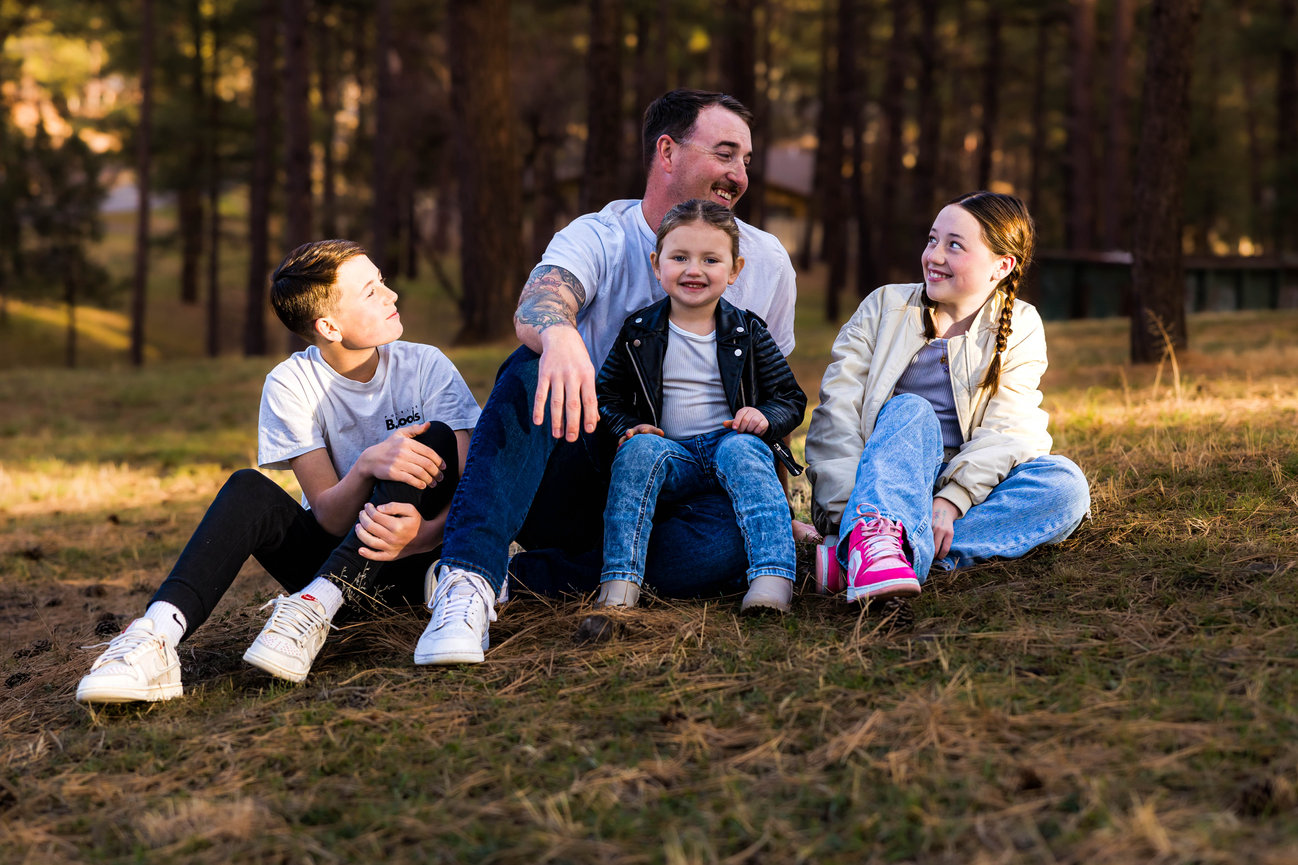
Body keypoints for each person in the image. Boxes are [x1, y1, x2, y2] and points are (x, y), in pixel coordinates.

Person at [414, 90, 798, 665]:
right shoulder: (601, 235)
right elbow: (539, 303)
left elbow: (772, 393)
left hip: (693, 480)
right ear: (667, 152)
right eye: (724, 154)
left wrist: (779, 504)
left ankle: (531, 577)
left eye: (745, 159)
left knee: (732, 549)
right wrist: (561, 336)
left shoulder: (764, 262)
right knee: (527, 369)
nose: (739, 175)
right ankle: (467, 579)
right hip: (586, 460)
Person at [75, 240, 481, 703]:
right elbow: (328, 516)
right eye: (371, 292)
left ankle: (316, 604)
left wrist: (424, 536)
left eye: (382, 283)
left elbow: (472, 488)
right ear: (328, 325)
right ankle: (156, 638)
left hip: (418, 568)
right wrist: (367, 464)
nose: (391, 296)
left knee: (431, 440)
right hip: (335, 569)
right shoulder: (290, 384)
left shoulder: (425, 366)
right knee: (247, 487)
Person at [805, 191, 1089, 603]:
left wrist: (951, 501)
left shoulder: (1021, 324)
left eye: (954, 245)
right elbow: (837, 416)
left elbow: (1009, 431)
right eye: (932, 239)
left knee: (1065, 485)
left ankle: (869, 559)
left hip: (961, 487)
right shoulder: (884, 306)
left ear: (1001, 265)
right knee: (911, 410)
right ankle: (870, 537)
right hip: (880, 482)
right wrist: (849, 513)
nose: (934, 256)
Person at [595, 200, 806, 613]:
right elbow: (609, 395)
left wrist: (763, 417)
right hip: (672, 455)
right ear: (658, 265)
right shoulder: (639, 331)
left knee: (745, 448)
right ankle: (620, 582)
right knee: (638, 452)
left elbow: (791, 398)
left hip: (729, 446)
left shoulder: (748, 330)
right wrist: (629, 425)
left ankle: (772, 578)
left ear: (734, 270)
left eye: (710, 259)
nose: (694, 269)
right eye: (680, 258)